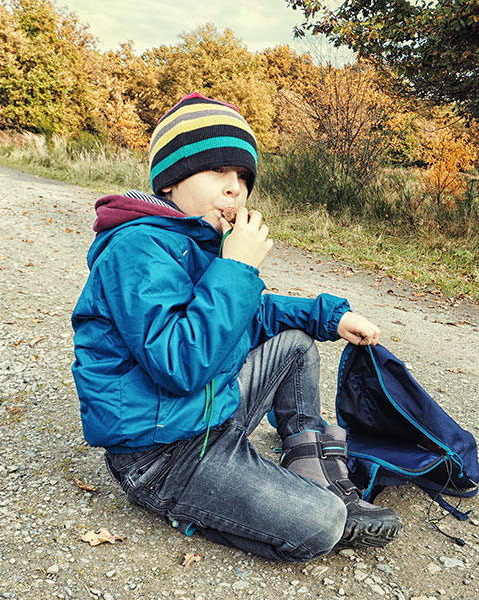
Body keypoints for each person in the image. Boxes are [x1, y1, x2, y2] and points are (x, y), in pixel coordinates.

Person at [71, 92, 402, 562]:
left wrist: (331, 316)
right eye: (218, 172)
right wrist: (237, 269)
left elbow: (253, 314)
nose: (235, 189)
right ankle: (188, 505)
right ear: (170, 182)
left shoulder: (198, 240)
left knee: (295, 343)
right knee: (323, 525)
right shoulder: (136, 248)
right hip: (162, 453)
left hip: (211, 416)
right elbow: (179, 364)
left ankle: (308, 459)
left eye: (243, 177)